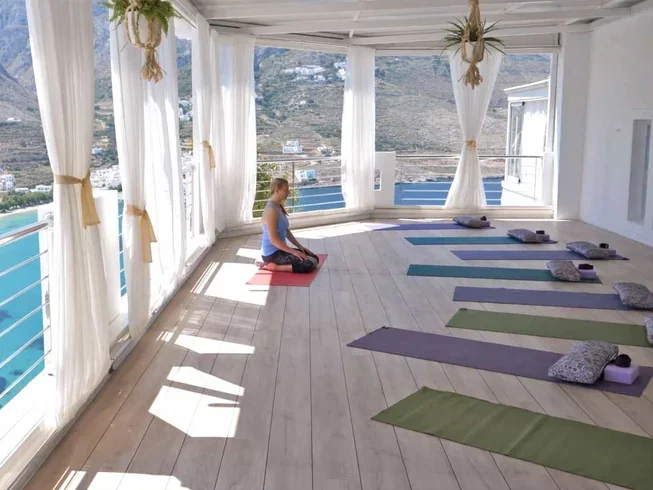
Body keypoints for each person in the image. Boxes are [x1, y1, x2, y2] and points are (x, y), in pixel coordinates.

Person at [259, 177, 320, 273]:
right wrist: (293, 251)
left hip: (281, 250)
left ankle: (271, 264)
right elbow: (273, 240)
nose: (288, 192)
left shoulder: (278, 206)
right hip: (272, 254)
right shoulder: (271, 210)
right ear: (277, 191)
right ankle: (274, 267)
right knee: (309, 264)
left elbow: (286, 230)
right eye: (286, 190)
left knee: (315, 258)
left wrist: (299, 247)